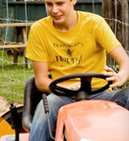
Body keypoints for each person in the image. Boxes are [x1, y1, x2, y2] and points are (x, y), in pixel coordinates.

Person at [25, 0, 129, 140]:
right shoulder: (39, 30)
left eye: (60, 3)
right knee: (45, 110)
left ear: (73, 1)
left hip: (100, 93)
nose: (54, 10)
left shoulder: (94, 23)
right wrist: (65, 87)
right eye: (49, 4)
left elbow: (125, 61)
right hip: (62, 96)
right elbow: (41, 81)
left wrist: (122, 75)